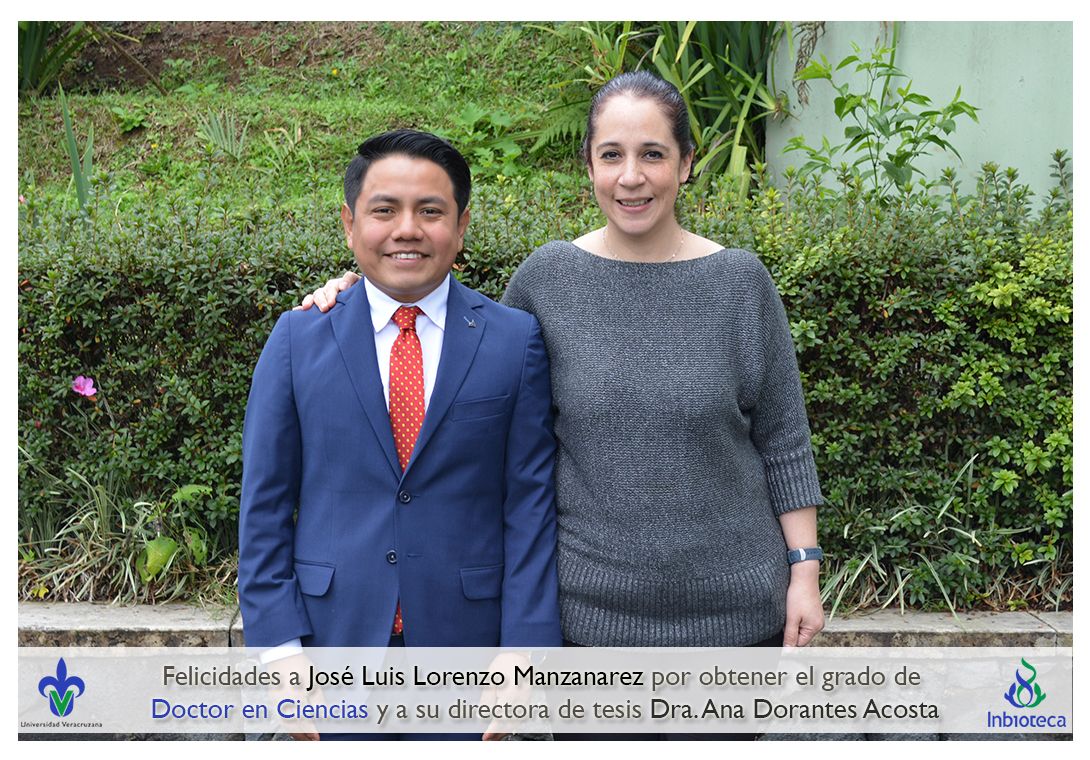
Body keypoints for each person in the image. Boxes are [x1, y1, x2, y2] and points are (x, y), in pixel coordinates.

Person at [299, 72, 826, 739]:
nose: (631, 177)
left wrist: (805, 572)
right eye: (611, 155)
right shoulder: (548, 280)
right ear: (589, 167)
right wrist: (358, 296)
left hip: (735, 624)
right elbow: (464, 356)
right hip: (588, 625)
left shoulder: (740, 283)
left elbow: (783, 440)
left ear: (687, 163)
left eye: (653, 154)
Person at [238, 129, 562, 741]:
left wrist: (523, 654)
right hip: (326, 651)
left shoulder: (513, 340)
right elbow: (264, 507)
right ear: (349, 224)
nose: (407, 230)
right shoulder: (298, 340)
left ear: (461, 226)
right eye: (384, 210)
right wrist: (278, 652)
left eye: (430, 211)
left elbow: (529, 507)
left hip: (471, 656)